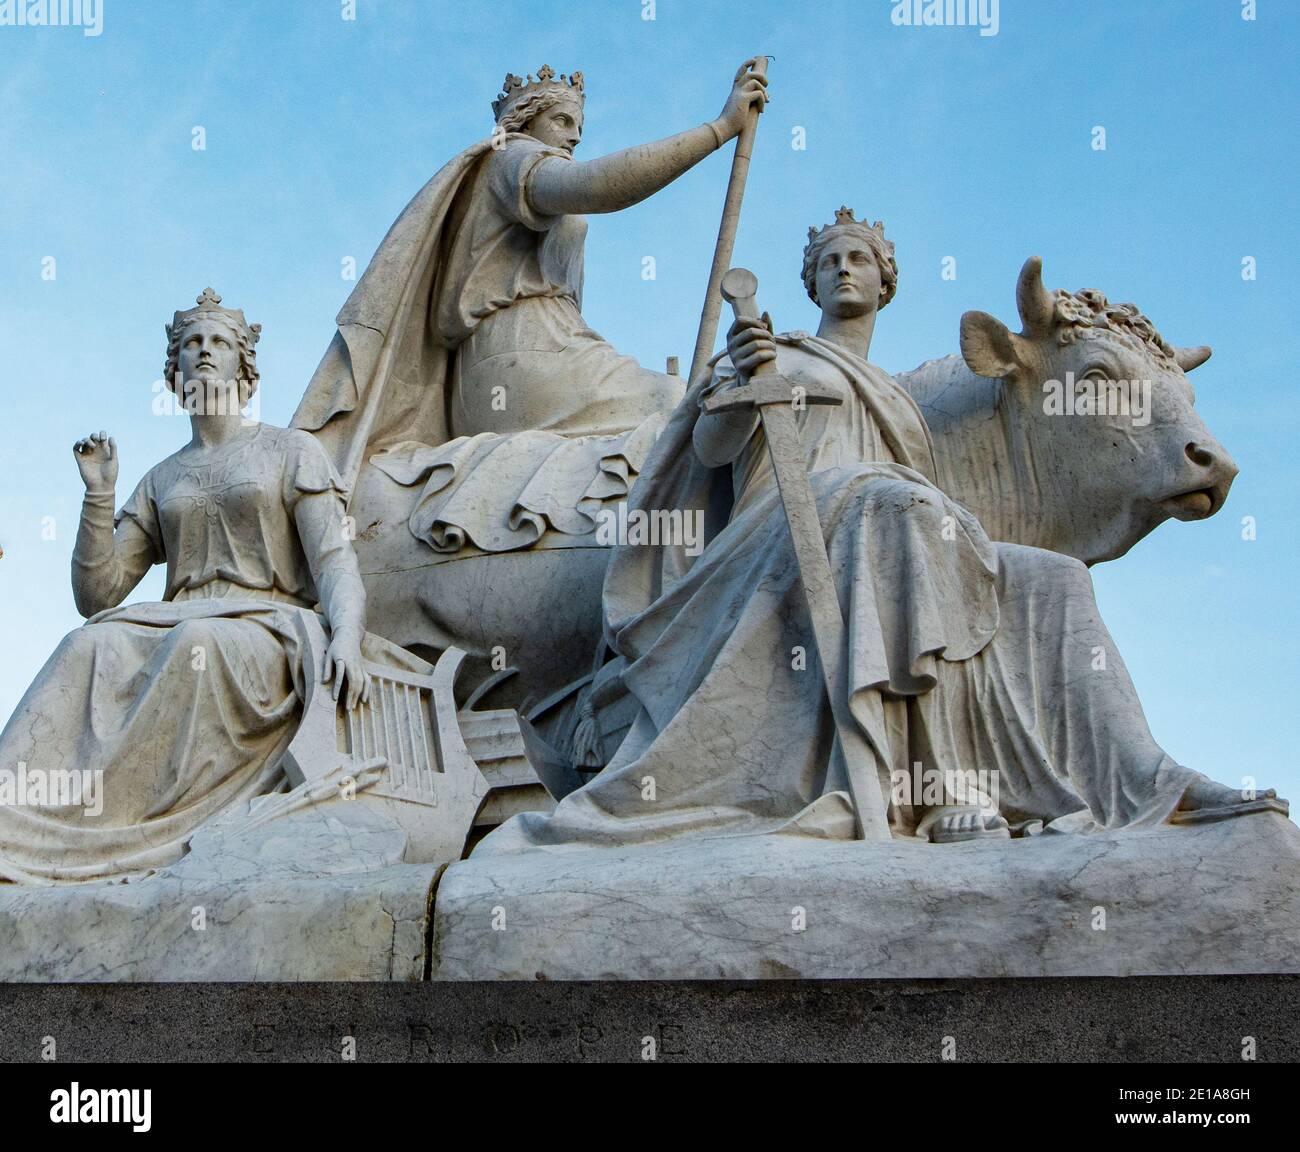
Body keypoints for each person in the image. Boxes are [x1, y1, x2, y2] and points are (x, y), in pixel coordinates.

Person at [479, 209, 1284, 852]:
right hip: (770, 552)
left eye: (858, 258)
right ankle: (937, 788)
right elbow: (707, 452)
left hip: (877, 535)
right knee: (886, 501)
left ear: (885, 282)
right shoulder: (776, 354)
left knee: (1047, 577)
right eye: (829, 260)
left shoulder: (898, 401)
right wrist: (732, 388)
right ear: (811, 282)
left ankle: (1146, 783)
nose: (843, 269)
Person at [293, 59, 769, 556]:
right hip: (516, 353)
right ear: (523, 121)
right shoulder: (511, 156)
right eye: (562, 121)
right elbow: (597, 186)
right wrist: (719, 129)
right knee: (676, 404)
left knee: (688, 400)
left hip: (553, 343)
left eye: (578, 129)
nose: (572, 138)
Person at [0, 290, 371, 882]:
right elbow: (98, 595)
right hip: (181, 623)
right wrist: (99, 494)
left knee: (195, 644)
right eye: (191, 343)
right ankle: (16, 815)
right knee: (86, 644)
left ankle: (139, 826)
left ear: (243, 365)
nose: (203, 352)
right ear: (174, 369)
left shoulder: (291, 450)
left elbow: (333, 559)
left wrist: (348, 635)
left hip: (265, 626)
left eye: (218, 342)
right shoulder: (160, 477)